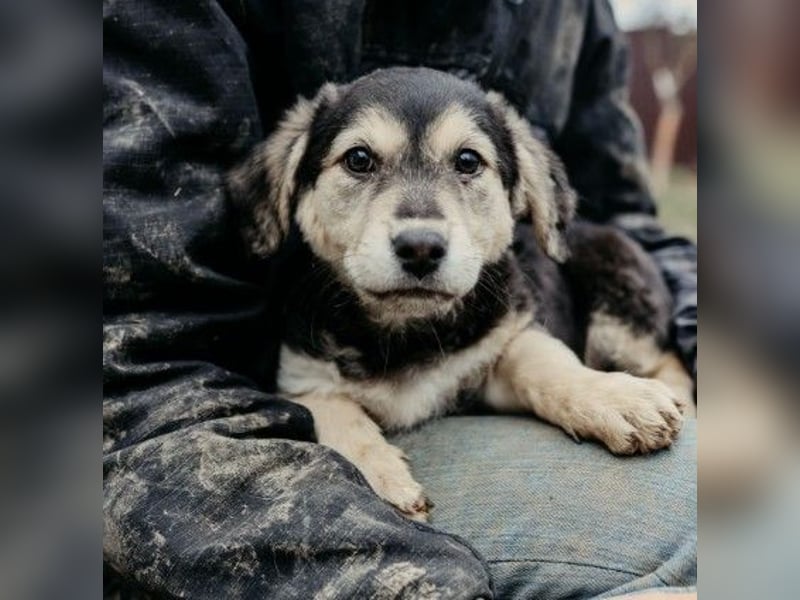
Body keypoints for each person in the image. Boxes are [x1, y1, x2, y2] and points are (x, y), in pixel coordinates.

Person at [103, 1, 697, 598]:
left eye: (468, 163)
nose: (420, 231)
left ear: (527, 198)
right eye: (360, 162)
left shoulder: (571, 13)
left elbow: (613, 228)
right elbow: (143, 366)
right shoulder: (304, 324)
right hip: (194, 442)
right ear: (286, 196)